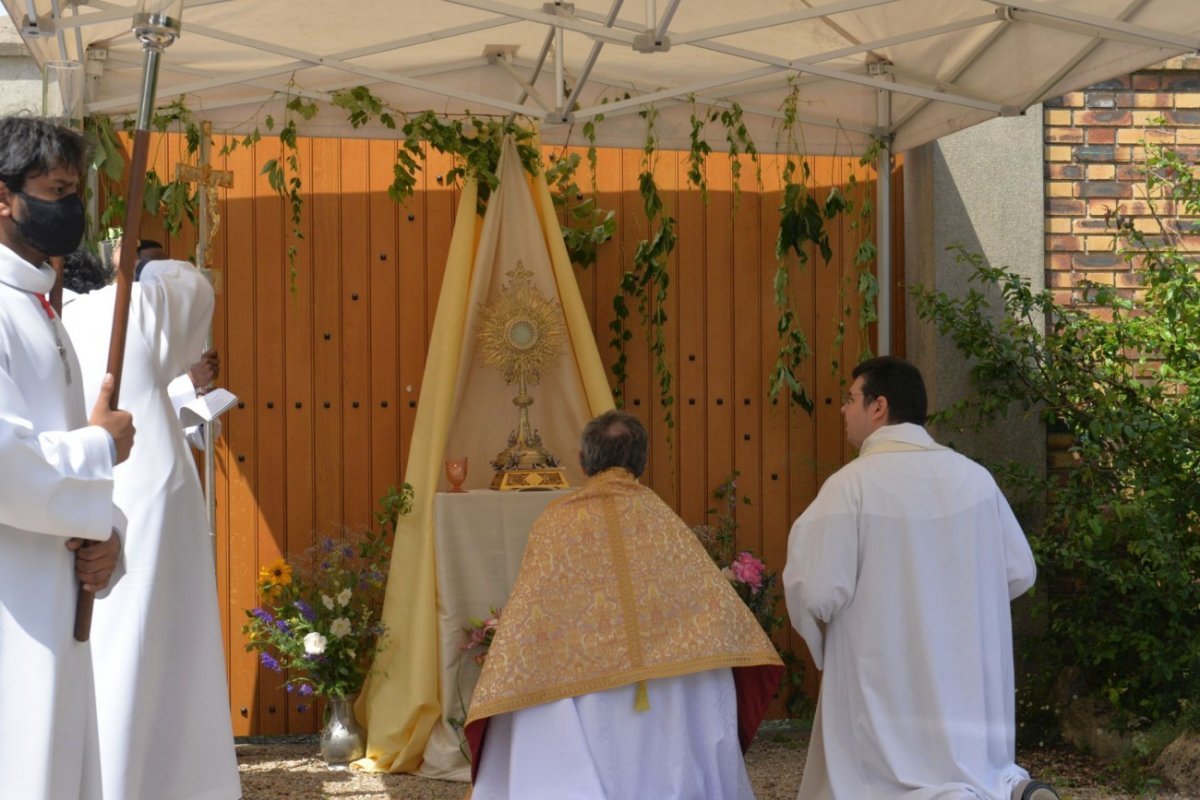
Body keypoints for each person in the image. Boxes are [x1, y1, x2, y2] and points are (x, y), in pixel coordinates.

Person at [464, 410, 784, 799]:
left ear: (582, 462)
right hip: (670, 701)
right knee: (699, 679)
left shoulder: (556, 522)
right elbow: (716, 615)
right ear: (643, 462)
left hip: (584, 699)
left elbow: (530, 621)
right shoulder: (665, 523)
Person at [782, 356, 1058, 800]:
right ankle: (1006, 788)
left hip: (881, 664)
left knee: (880, 780)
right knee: (970, 765)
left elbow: (813, 588)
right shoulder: (977, 480)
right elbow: (1019, 570)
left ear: (879, 407)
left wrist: (821, 644)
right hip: (965, 667)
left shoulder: (851, 486)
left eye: (850, 398)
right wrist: (963, 601)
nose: (842, 410)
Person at [62, 248, 241, 800]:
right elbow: (192, 286)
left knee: (100, 681)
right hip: (142, 532)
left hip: (65, 528)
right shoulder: (125, 312)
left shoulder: (44, 322)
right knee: (156, 679)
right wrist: (137, 268)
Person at [0, 115, 133, 800]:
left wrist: (108, 529)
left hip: (55, 587)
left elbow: (58, 441)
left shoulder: (36, 305)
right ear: (4, 196)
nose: (71, 209)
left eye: (76, 191)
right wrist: (99, 445)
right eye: (56, 189)